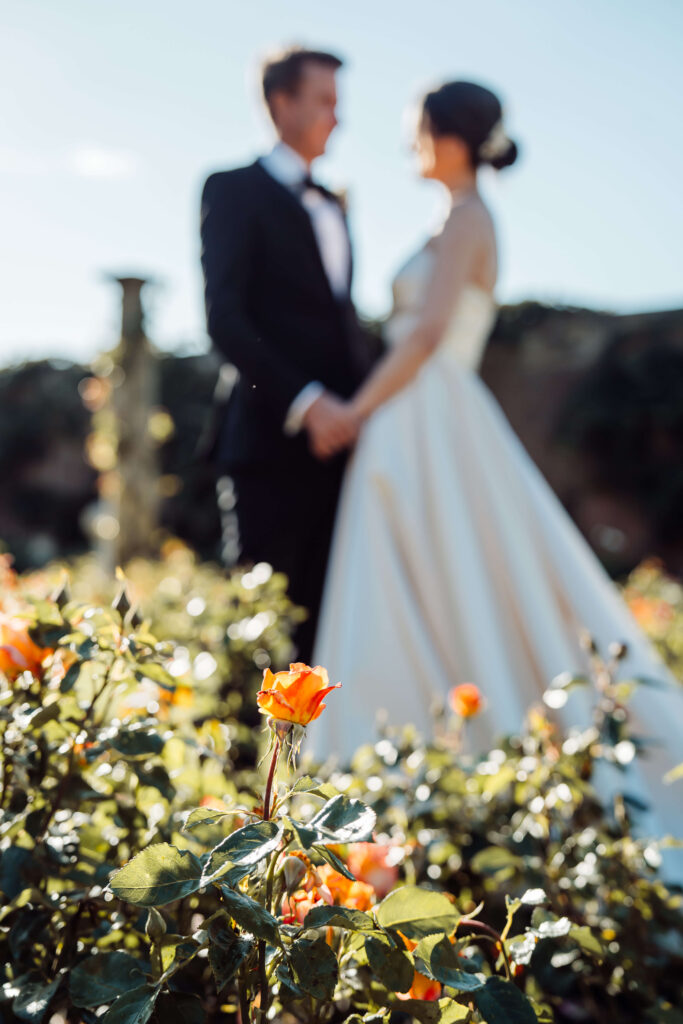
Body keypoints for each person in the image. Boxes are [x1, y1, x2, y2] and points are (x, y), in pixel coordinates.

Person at [310, 81, 683, 879]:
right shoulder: (449, 218)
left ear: (446, 136)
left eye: (416, 130)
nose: (408, 143)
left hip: (426, 409)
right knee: (418, 580)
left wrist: (350, 409)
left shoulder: (469, 217)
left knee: (457, 579)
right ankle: (401, 778)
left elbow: (428, 337)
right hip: (415, 415)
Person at [200, 46, 375, 661]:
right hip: (268, 444)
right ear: (281, 103)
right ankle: (252, 760)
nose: (337, 117)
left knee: (327, 627)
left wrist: (361, 408)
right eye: (325, 101)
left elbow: (339, 324)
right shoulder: (232, 190)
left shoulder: (333, 203)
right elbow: (225, 318)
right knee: (261, 631)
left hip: (341, 449)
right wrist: (309, 404)